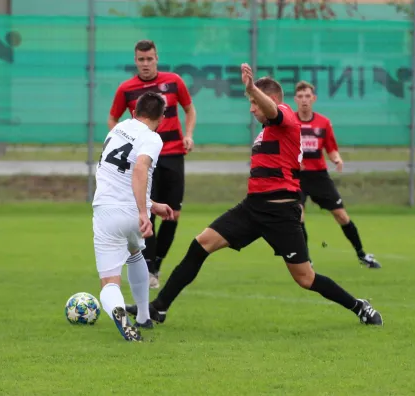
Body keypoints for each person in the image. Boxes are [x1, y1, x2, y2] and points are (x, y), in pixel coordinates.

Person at [126, 64, 383, 327]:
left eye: (253, 103)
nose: (251, 108)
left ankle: (359, 306)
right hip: (252, 209)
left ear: (268, 100)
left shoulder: (284, 116)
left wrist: (251, 88)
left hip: (281, 214)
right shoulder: (266, 130)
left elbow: (272, 109)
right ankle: (159, 307)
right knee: (201, 244)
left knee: (305, 278)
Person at [108, 39, 197, 289]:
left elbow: (190, 110)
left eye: (150, 59)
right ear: (135, 60)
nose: (145, 64)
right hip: (146, 159)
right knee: (147, 211)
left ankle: (156, 263)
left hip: (173, 155)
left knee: (173, 214)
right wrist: (126, 144)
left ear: (157, 58)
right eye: (141, 59)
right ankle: (148, 268)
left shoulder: (174, 82)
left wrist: (188, 135)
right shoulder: (126, 89)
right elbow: (112, 118)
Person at [94, 91, 174, 341]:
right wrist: (146, 209)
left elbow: (135, 169)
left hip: (107, 210)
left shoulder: (117, 129)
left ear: (133, 111)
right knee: (135, 252)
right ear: (161, 118)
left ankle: (119, 312)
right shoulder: (152, 138)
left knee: (109, 283)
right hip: (131, 212)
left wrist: (146, 209)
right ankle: (142, 316)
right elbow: (139, 170)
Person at [294, 81, 381, 269]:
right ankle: (305, 261)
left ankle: (362, 255)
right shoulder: (289, 122)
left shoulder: (323, 122)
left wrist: (337, 159)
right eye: (300, 97)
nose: (304, 100)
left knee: (341, 216)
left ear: (313, 99)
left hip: (319, 176)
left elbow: (331, 148)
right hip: (296, 177)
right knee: (298, 216)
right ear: (295, 99)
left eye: (307, 96)